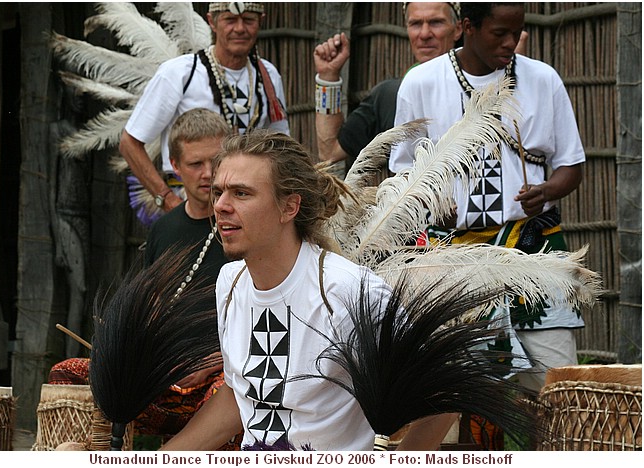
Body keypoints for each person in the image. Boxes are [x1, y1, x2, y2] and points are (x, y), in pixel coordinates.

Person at [158, 130, 465, 451]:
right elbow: (243, 394)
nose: (220, 205)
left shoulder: (348, 292)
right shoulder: (230, 282)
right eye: (219, 191)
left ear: (289, 207)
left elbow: (445, 391)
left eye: (241, 193)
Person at [389, 2, 586, 394]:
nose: (511, 42)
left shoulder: (542, 79)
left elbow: (571, 165)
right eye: (500, 33)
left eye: (517, 32)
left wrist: (547, 190)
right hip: (451, 257)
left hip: (534, 247)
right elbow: (402, 172)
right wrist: (431, 203)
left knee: (556, 386)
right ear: (467, 28)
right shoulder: (422, 83)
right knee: (458, 393)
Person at [48, 109, 241, 449]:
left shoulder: (241, 226)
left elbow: (264, 320)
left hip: (218, 376)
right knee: (69, 373)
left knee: (233, 390)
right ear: (175, 166)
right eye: (196, 164)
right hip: (163, 378)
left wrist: (213, 360)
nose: (208, 173)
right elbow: (148, 308)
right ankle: (91, 454)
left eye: (216, 161)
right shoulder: (164, 229)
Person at [314, 2, 527, 175]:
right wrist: (328, 78)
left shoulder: (496, 86)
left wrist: (511, 71)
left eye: (436, 22)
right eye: (416, 24)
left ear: (459, 29)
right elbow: (329, 152)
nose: (424, 34)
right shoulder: (389, 95)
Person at [119, 2, 289, 215]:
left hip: (245, 207)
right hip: (187, 202)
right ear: (212, 22)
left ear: (260, 22)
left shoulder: (268, 75)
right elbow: (130, 143)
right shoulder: (180, 73)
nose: (239, 28)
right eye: (229, 20)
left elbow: (281, 146)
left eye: (248, 20)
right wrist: (169, 201)